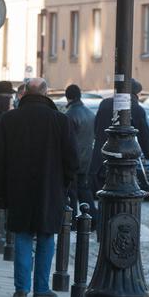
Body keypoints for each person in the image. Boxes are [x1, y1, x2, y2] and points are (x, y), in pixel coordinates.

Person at [0, 78, 77, 297]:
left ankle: (21, 287)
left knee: (22, 235)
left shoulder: (9, 119)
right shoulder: (60, 120)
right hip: (50, 188)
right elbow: (72, 160)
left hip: (18, 187)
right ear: (46, 93)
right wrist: (65, 184)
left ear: (24, 94)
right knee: (47, 236)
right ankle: (41, 287)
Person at [90, 79, 149, 226]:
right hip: (123, 163)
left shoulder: (105, 104)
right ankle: (118, 228)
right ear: (136, 93)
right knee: (122, 199)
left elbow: (96, 128)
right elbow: (144, 135)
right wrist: (148, 154)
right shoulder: (136, 108)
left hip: (100, 158)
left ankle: (102, 230)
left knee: (103, 197)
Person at [64, 84, 96, 223]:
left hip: (73, 158)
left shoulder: (69, 115)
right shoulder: (90, 113)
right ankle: (93, 218)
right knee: (84, 190)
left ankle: (71, 220)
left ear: (68, 97)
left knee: (71, 191)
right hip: (87, 157)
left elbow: (67, 140)